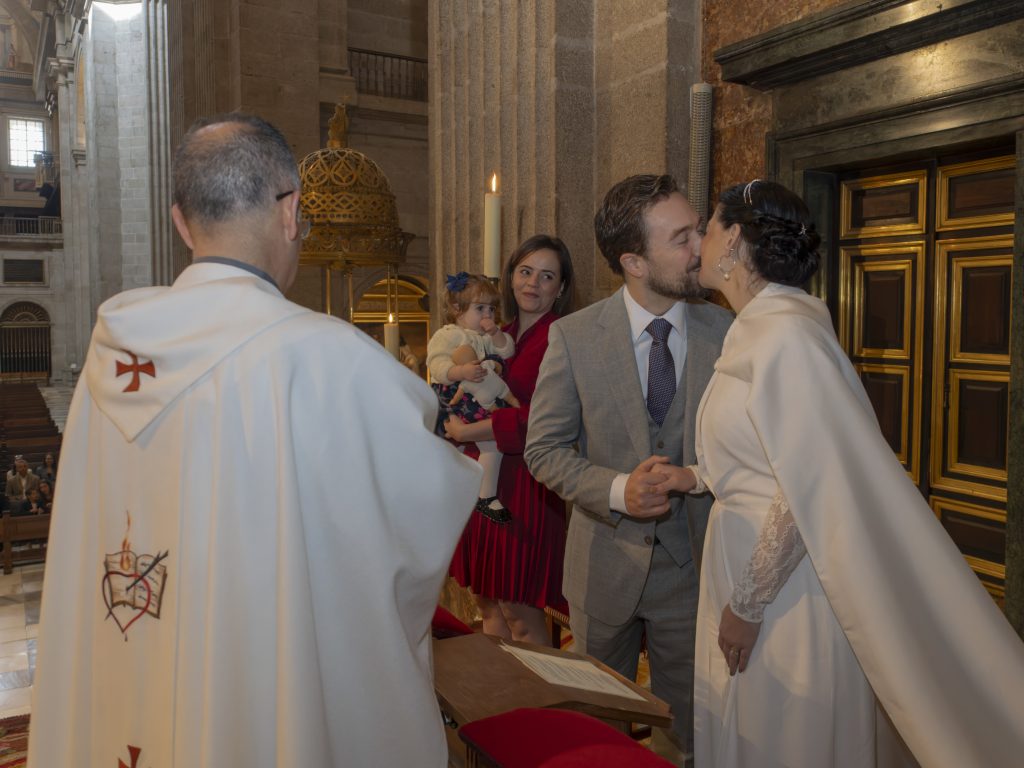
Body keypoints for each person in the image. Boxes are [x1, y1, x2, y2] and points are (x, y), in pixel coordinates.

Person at [28, 113, 481, 768]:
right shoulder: (332, 361)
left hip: (135, 672)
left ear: (182, 223)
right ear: (292, 210)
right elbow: (419, 522)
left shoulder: (112, 358)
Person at [654, 179, 1024, 767]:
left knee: (782, 731)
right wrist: (696, 477)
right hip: (744, 560)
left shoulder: (788, 337)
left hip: (784, 588)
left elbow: (807, 488)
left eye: (710, 227)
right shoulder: (758, 328)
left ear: (737, 244)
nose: (699, 240)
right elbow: (768, 453)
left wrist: (748, 604)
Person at [525, 175, 732, 756]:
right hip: (603, 571)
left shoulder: (729, 333)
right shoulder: (574, 338)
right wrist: (617, 490)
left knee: (689, 734)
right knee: (596, 735)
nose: (700, 248)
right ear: (634, 261)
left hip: (693, 573)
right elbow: (544, 449)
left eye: (697, 230)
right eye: (682, 237)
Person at [446, 235, 575, 645]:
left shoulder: (562, 338)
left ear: (560, 288)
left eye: (546, 275)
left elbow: (539, 418)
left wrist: (467, 431)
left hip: (527, 485)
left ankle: (543, 706)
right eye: (525, 271)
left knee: (520, 611)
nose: (533, 283)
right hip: (482, 480)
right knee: (489, 605)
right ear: (511, 277)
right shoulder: (496, 334)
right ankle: (504, 702)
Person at [428, 272, 518, 522]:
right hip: (455, 399)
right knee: (453, 449)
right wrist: (460, 371)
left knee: (493, 444)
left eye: (491, 308)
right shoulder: (447, 335)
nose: (487, 315)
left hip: (480, 397)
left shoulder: (485, 337)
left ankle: (485, 495)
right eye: (480, 308)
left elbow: (507, 350)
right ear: (457, 308)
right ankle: (460, 492)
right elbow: (435, 364)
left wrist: (496, 335)